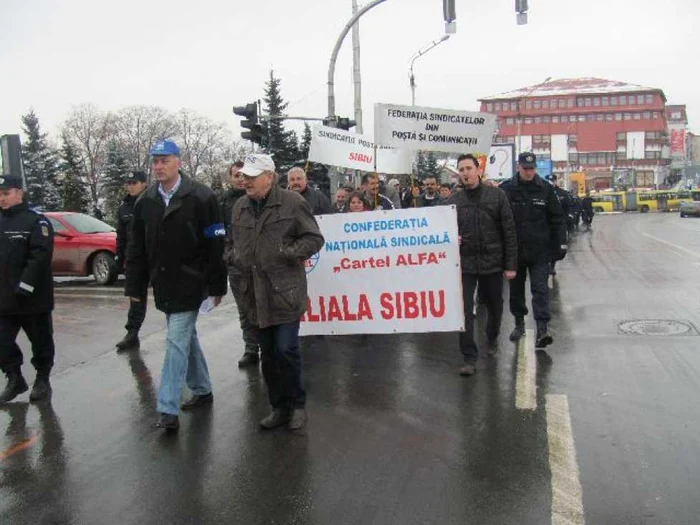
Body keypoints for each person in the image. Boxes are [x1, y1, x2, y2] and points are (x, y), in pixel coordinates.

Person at [126, 140, 227, 431]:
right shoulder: (145, 202)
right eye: (155, 161)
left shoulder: (202, 197)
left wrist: (217, 285)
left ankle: (167, 407)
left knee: (175, 340)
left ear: (179, 161)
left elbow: (215, 243)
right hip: (163, 283)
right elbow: (137, 248)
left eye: (165, 160)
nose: (159, 166)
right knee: (185, 339)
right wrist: (135, 287)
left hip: (191, 282)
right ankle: (203, 388)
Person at [230, 154, 324, 431]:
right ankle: (278, 406)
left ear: (269, 177)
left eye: (252, 176)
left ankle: (297, 404)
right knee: (268, 354)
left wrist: (288, 253)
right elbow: (230, 241)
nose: (245, 181)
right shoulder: (239, 207)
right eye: (244, 176)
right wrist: (232, 257)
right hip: (254, 294)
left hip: (284, 292)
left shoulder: (293, 203)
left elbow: (314, 239)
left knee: (286, 349)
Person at [449, 155, 517, 376]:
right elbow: (439, 229)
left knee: (495, 306)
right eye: (461, 169)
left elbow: (509, 231)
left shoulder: (496, 196)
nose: (465, 173)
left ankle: (492, 336)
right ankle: (469, 356)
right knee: (464, 311)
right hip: (465, 264)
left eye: (469, 168)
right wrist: (451, 238)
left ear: (478, 170)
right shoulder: (453, 201)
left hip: (492, 263)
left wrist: (510, 265)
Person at [500, 153, 567, 349]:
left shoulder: (545, 189)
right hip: (515, 252)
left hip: (539, 251)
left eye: (532, 168)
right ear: (518, 167)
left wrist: (561, 244)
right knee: (516, 292)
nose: (529, 172)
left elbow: (557, 219)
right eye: (525, 168)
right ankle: (519, 324)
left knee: (540, 291)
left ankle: (542, 329)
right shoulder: (506, 189)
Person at [0, 175, 55, 403]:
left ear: (19, 193)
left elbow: (40, 256)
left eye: (6, 193)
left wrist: (25, 285)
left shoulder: (36, 221)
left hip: (31, 298)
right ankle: (15, 378)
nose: (1, 198)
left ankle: (42, 379)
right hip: (4, 299)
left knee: (41, 342)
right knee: (2, 343)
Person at [222, 161, 260, 367]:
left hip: (259, 264)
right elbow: (219, 232)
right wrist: (229, 256)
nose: (239, 179)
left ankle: (267, 345)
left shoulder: (256, 198)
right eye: (235, 175)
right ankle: (251, 348)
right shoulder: (224, 202)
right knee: (244, 309)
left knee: (263, 306)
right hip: (236, 266)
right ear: (231, 178)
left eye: (242, 175)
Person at [115, 170, 149, 351]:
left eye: (134, 182)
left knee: (168, 296)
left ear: (144, 183)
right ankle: (132, 333)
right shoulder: (124, 208)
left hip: (154, 256)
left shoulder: (153, 202)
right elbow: (120, 236)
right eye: (128, 183)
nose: (130, 186)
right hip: (134, 259)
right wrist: (119, 258)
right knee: (135, 297)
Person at [546, 175, 571, 276]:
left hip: (558, 224)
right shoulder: (543, 192)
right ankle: (546, 265)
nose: (551, 182)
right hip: (545, 224)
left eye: (552, 180)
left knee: (558, 247)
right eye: (549, 180)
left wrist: (565, 222)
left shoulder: (562, 193)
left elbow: (567, 208)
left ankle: (552, 265)